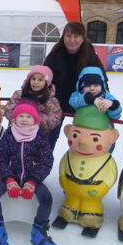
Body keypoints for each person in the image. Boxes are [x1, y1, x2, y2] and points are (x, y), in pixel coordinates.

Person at [0, 100, 58, 245]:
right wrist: (8, 179)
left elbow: (46, 161)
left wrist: (33, 181)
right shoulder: (9, 135)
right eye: (20, 116)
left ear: (35, 120)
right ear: (14, 119)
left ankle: (39, 230)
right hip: (11, 176)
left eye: (28, 116)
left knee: (47, 198)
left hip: (32, 178)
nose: (24, 119)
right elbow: (0, 159)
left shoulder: (40, 137)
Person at [43, 21, 107, 150]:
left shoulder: (90, 56)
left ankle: (81, 163)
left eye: (76, 36)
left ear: (83, 37)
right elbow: (45, 78)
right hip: (57, 102)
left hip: (83, 101)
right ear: (63, 37)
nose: (72, 40)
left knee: (86, 136)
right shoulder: (55, 53)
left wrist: (104, 100)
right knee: (49, 135)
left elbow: (102, 80)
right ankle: (42, 165)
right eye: (68, 36)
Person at [4, 65, 62, 132]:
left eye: (40, 80)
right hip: (16, 131)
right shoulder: (19, 94)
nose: (36, 82)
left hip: (38, 134)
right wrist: (20, 117)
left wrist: (35, 118)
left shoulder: (51, 100)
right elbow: (8, 110)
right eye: (33, 79)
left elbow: (55, 119)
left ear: (46, 83)